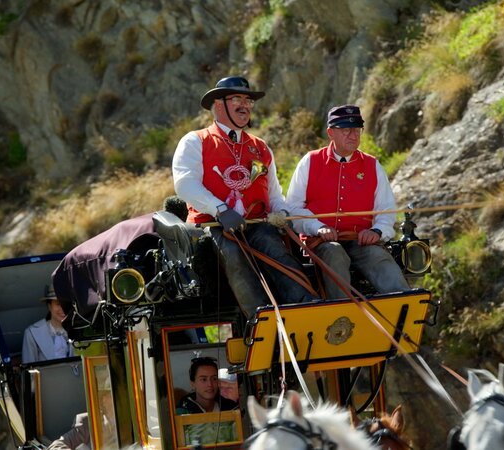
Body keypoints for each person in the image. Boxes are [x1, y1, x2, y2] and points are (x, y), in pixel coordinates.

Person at [172, 75, 313, 316]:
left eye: (248, 101)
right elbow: (185, 185)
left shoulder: (260, 146)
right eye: (236, 98)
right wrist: (220, 209)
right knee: (234, 256)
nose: (245, 105)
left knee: (275, 247)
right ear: (218, 105)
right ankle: (261, 318)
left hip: (256, 223)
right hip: (213, 225)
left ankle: (305, 307)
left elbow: (273, 194)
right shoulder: (195, 141)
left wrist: (281, 212)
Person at [286, 104, 409, 299]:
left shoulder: (372, 165)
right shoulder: (310, 162)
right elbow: (292, 209)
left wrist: (376, 231)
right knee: (335, 254)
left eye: (357, 129)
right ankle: (342, 316)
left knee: (378, 257)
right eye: (346, 130)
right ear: (330, 133)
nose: (353, 135)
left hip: (360, 241)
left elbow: (386, 210)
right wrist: (318, 227)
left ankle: (406, 307)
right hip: (321, 242)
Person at [22, 285, 74, 363]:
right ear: (49, 306)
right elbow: (29, 368)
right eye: (58, 304)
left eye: (66, 304)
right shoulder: (31, 333)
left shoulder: (79, 329)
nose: (63, 308)